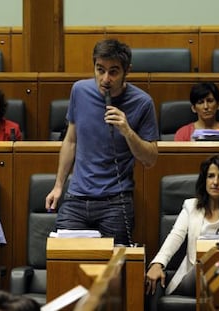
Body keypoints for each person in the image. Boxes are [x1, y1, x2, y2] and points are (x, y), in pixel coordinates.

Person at [44, 38, 158, 246]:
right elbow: (70, 141)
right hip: (76, 198)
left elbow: (150, 158)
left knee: (112, 273)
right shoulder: (79, 91)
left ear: (127, 71)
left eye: (113, 71)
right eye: (100, 70)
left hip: (115, 202)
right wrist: (58, 185)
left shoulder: (142, 102)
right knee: (65, 264)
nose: (105, 78)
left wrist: (127, 131)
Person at [146, 154, 219, 300]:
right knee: (206, 267)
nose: (215, 182)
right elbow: (175, 236)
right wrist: (157, 263)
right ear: (204, 180)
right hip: (191, 278)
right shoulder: (191, 206)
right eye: (210, 176)